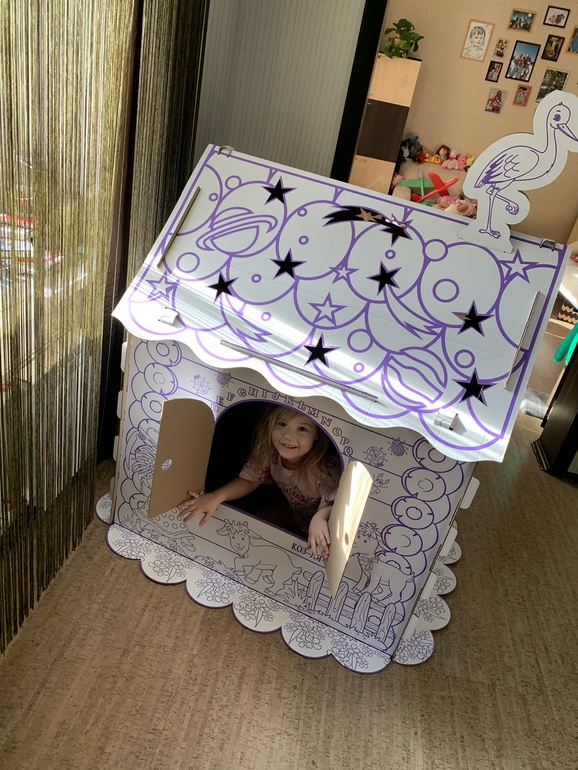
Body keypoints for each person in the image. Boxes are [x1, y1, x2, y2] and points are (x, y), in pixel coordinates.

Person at [177, 406, 341, 558]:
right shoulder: (271, 453)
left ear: (317, 434)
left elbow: (340, 506)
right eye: (282, 424)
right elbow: (249, 480)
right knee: (254, 526)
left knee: (308, 553)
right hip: (294, 509)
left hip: (324, 519)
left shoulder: (324, 471)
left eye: (302, 429)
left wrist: (320, 517)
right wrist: (216, 496)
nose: (288, 435)